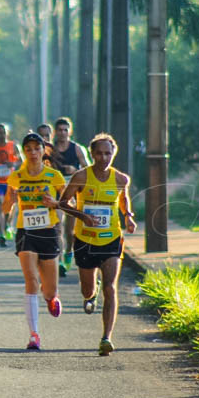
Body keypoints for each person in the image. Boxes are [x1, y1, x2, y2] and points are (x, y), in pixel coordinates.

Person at [56, 133, 136, 356]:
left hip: (111, 239)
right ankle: (91, 295)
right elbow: (63, 202)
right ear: (91, 154)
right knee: (87, 289)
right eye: (99, 153)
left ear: (113, 154)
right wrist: (82, 216)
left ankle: (106, 337)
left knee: (111, 286)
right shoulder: (81, 177)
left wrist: (128, 216)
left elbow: (123, 198)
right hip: (84, 240)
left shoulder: (120, 179)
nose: (103, 158)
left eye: (107, 153)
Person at [2, 133, 66, 350]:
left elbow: (69, 202)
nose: (32, 152)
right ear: (23, 152)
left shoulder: (54, 175)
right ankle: (34, 334)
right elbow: (4, 208)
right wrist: (10, 201)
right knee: (31, 280)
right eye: (27, 149)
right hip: (26, 231)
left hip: (48, 231)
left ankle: (51, 298)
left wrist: (54, 203)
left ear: (43, 151)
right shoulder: (16, 177)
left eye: (36, 148)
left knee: (49, 289)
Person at [53, 117, 89, 275]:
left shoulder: (77, 149)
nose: (62, 133)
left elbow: (87, 169)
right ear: (55, 132)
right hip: (55, 192)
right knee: (58, 227)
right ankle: (60, 262)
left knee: (69, 231)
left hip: (72, 193)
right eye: (59, 130)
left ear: (70, 131)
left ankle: (68, 253)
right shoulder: (50, 149)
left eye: (65, 130)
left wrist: (74, 170)